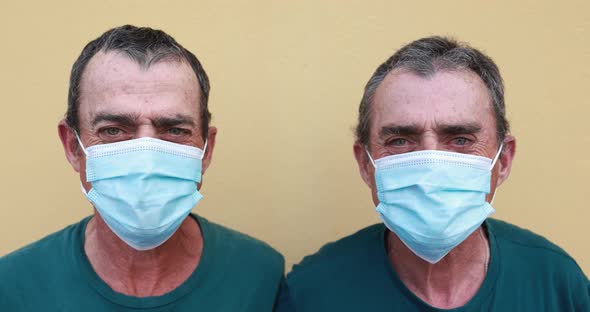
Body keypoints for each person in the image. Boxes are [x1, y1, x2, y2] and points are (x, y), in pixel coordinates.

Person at [277, 36, 590, 311]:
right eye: (400, 140)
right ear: (365, 163)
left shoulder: (555, 283)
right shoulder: (312, 292)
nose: (430, 164)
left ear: (503, 160)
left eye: (461, 139)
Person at [0, 25, 284, 311]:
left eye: (174, 130)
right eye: (113, 130)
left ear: (206, 149)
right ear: (72, 146)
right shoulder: (12, 286)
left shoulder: (260, 274)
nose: (146, 160)